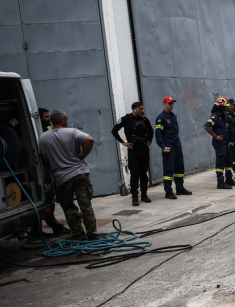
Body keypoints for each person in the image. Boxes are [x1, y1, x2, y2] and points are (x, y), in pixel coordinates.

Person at [38, 110, 98, 240]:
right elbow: (90, 139)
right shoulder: (72, 132)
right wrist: (84, 154)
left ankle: (78, 234)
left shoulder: (43, 137)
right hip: (80, 173)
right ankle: (93, 235)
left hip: (62, 177)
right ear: (62, 120)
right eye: (67, 119)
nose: (68, 121)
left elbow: (45, 159)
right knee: (85, 204)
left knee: (68, 206)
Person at [112, 101, 153, 206]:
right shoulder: (126, 119)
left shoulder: (144, 119)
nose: (143, 111)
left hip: (144, 148)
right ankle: (134, 196)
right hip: (133, 149)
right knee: (134, 174)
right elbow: (114, 131)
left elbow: (151, 131)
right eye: (141, 109)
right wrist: (123, 142)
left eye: (143, 109)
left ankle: (144, 194)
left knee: (144, 173)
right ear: (134, 109)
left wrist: (149, 140)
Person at [37, 108, 69, 235]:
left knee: (49, 197)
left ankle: (42, 229)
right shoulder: (37, 132)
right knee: (45, 198)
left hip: (50, 168)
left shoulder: (48, 130)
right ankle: (53, 226)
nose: (49, 120)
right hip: (42, 168)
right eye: (46, 117)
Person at [154, 96, 192, 200]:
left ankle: (180, 188)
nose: (171, 105)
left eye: (172, 103)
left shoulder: (173, 116)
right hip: (169, 147)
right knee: (168, 170)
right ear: (164, 104)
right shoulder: (161, 118)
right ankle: (168, 191)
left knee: (179, 169)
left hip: (177, 146)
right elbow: (158, 134)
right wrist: (162, 146)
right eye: (169, 103)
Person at [204, 97, 234, 190]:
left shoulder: (223, 116)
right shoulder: (215, 116)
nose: (227, 108)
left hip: (225, 142)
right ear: (221, 107)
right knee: (220, 162)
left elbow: (225, 129)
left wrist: (228, 141)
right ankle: (220, 183)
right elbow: (206, 126)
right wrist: (215, 136)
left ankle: (229, 179)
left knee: (229, 160)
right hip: (219, 143)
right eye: (225, 107)